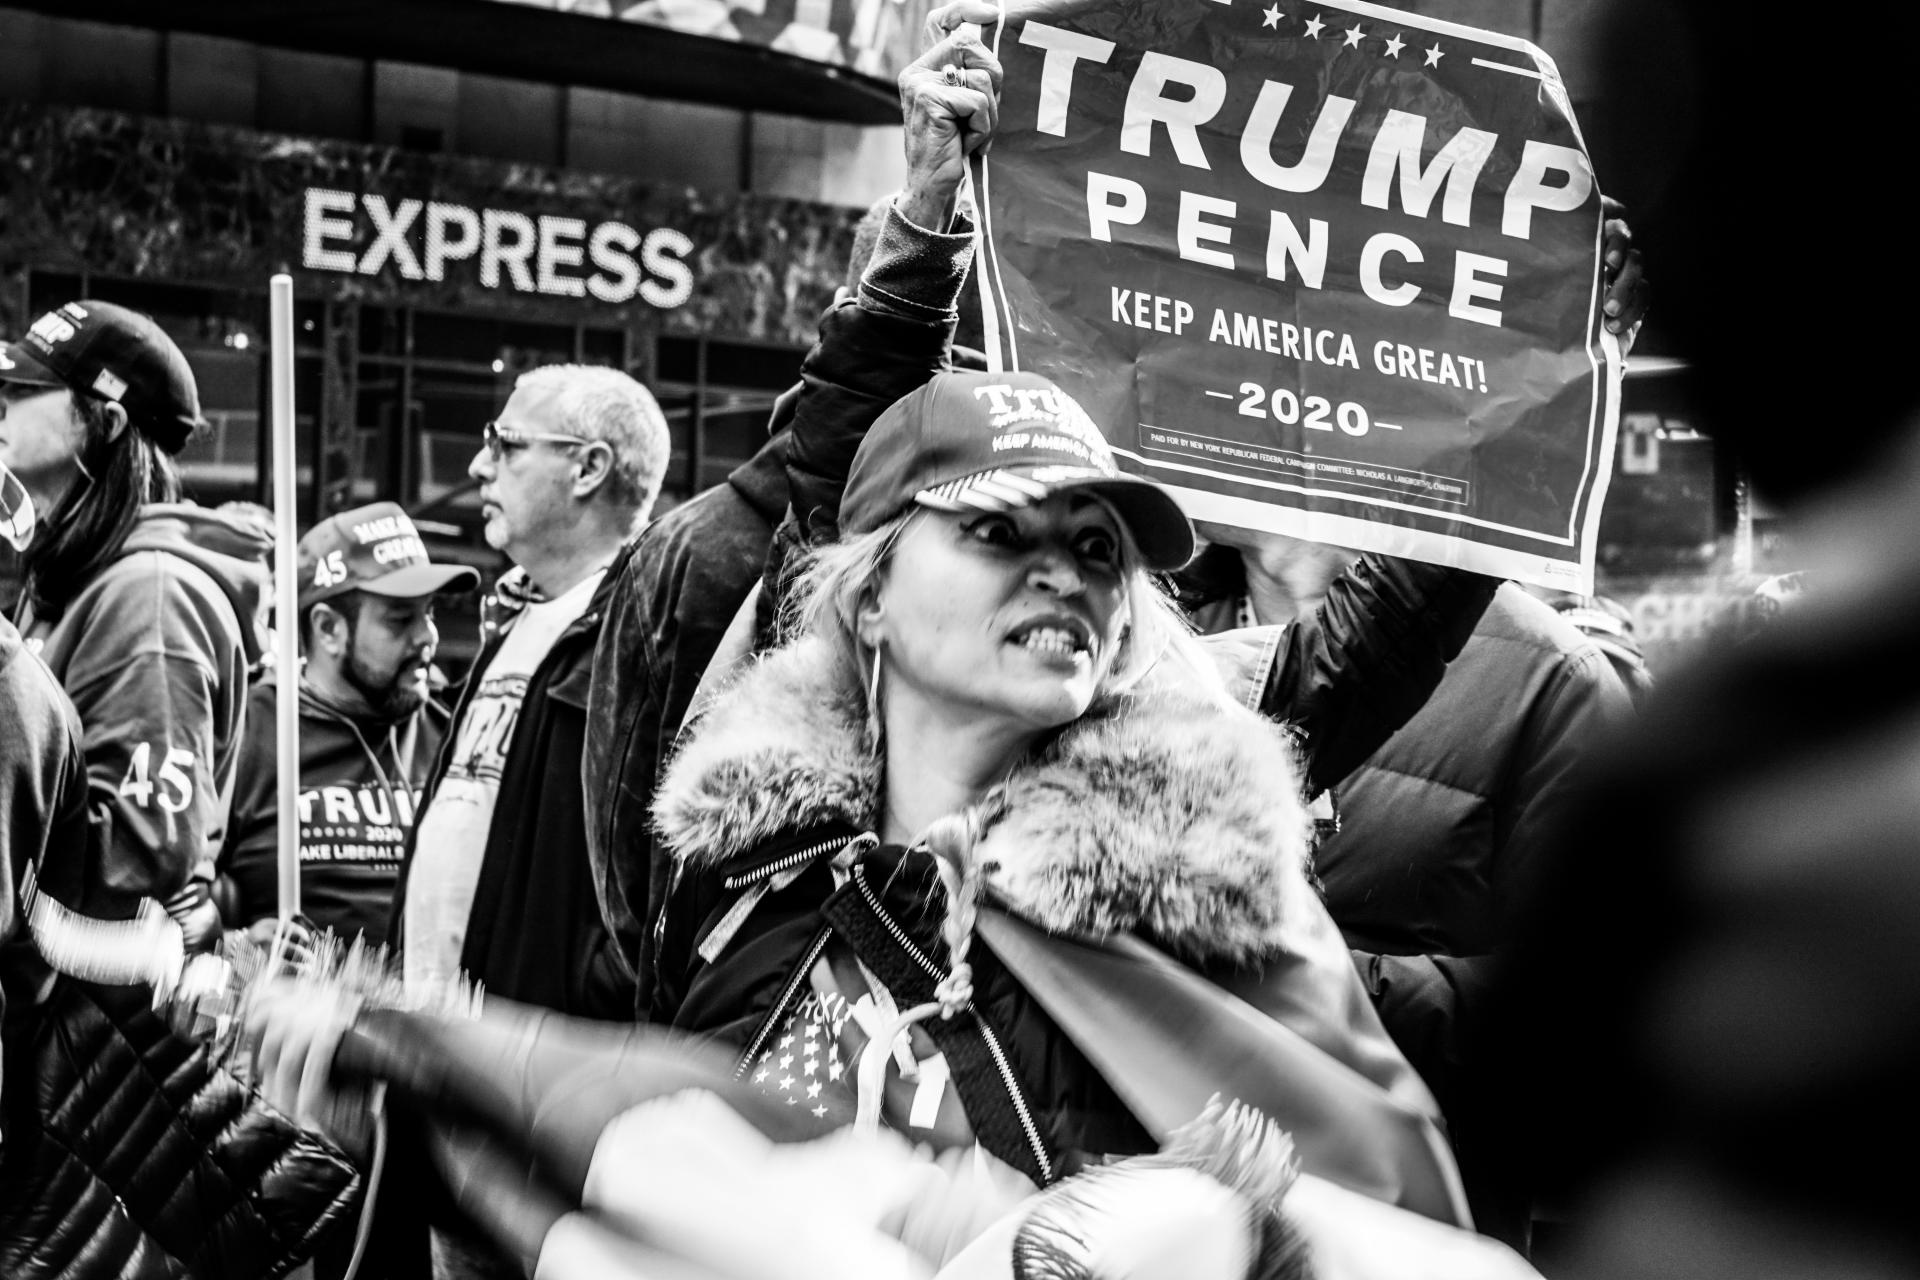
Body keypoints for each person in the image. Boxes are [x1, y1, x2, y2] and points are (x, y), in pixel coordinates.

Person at [0, 300, 268, 956]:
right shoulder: (74, 572)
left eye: (21, 391)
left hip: (92, 1036)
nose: (0, 406)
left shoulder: (150, 595)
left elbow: (135, 868)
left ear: (105, 421)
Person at [216, 502, 477, 946]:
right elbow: (179, 906)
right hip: (301, 1007)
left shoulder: (454, 731)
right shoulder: (247, 732)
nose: (428, 636)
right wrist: (236, 945)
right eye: (400, 620)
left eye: (428, 612)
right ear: (329, 629)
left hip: (439, 1008)